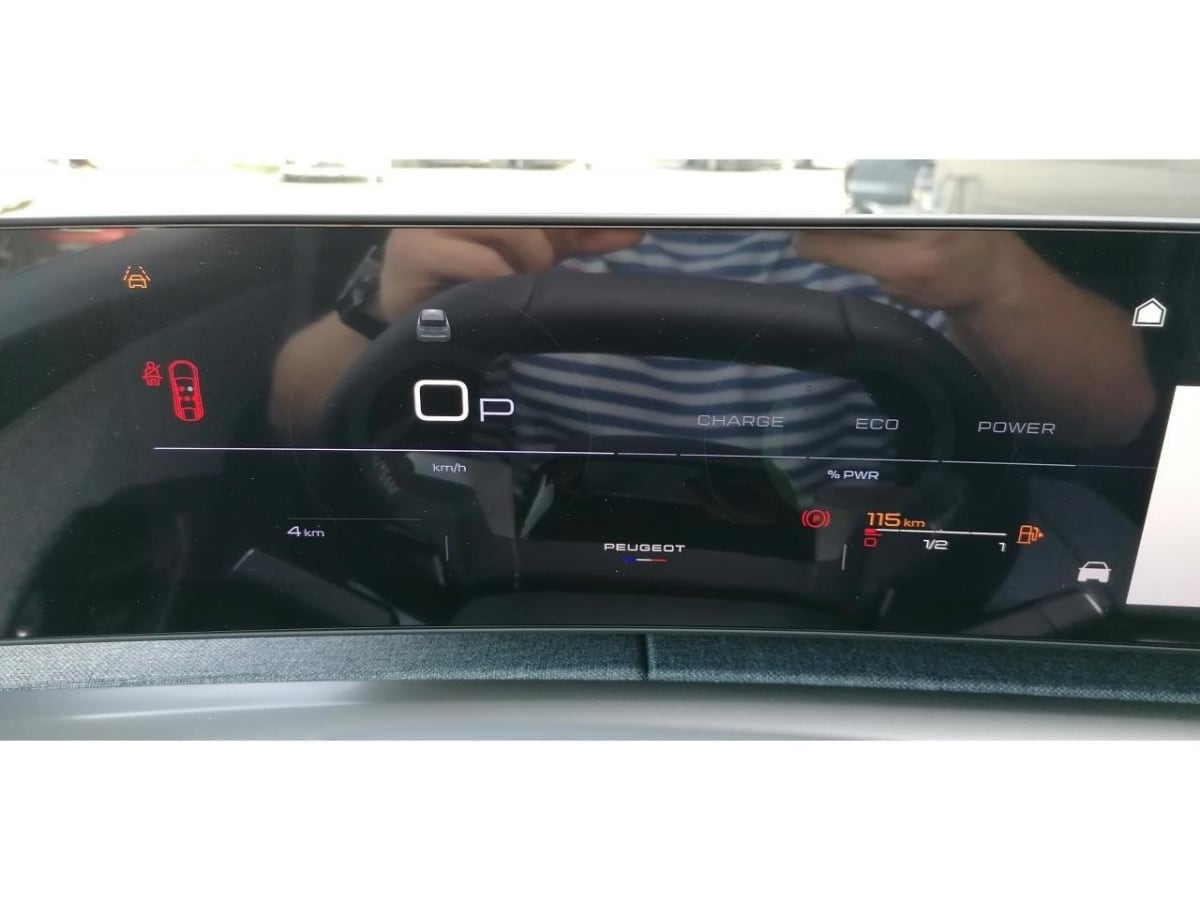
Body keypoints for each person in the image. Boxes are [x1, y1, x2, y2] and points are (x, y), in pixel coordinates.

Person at [269, 228, 1156, 475]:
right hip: (517, 562)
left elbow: (1112, 416)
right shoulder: (498, 205)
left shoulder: (916, 230)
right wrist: (385, 310)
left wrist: (994, 279)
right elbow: (296, 421)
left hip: (850, 568)